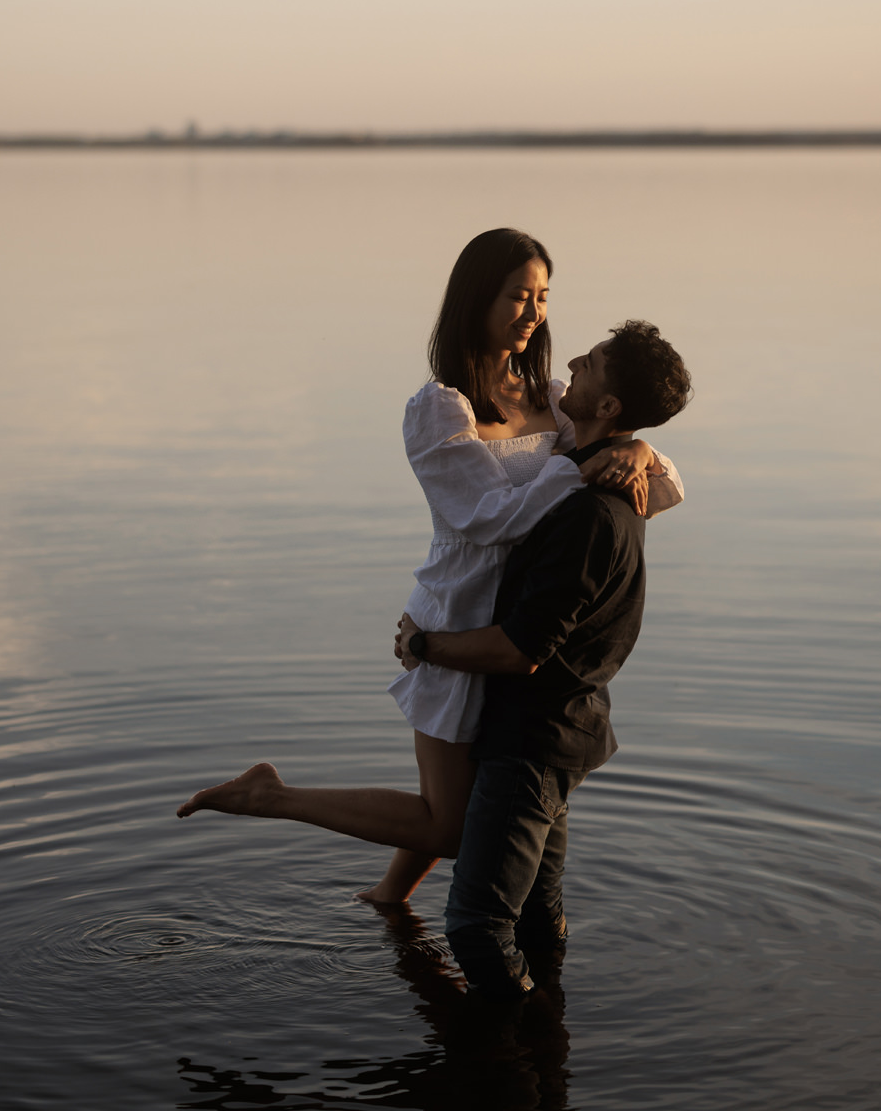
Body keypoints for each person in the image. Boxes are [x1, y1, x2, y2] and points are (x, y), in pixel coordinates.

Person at [176, 230, 684, 892]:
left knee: (465, 800)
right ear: (477, 298)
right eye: (518, 296)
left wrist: (640, 453)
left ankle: (390, 900)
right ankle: (273, 796)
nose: (534, 312)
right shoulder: (442, 408)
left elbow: (663, 491)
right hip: (461, 615)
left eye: (543, 297)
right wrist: (580, 465)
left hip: (521, 622)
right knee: (450, 825)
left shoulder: (553, 396)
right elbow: (489, 516)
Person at [393, 319, 692, 1000]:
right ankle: (546, 1055)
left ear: (610, 407)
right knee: (534, 915)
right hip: (562, 728)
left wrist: (423, 644)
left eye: (591, 364)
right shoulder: (607, 481)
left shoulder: (589, 513)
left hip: (534, 738)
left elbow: (517, 651)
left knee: (475, 926)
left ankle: (511, 1064)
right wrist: (637, 448)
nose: (573, 366)